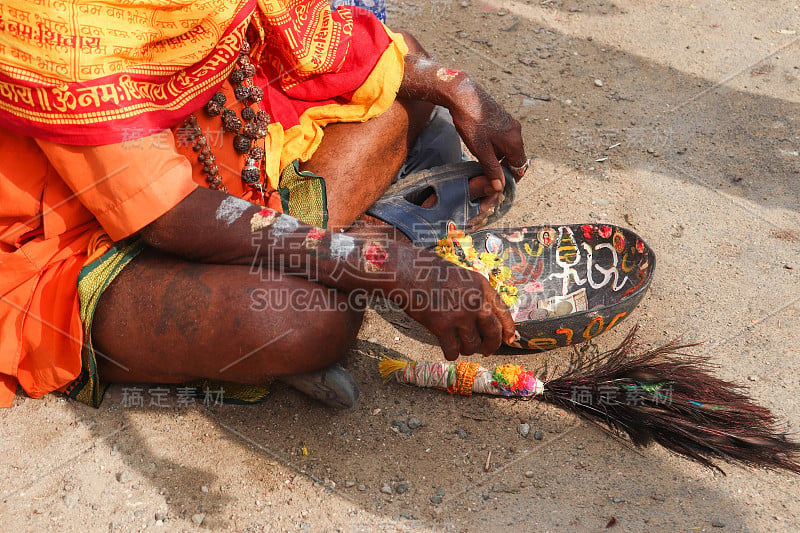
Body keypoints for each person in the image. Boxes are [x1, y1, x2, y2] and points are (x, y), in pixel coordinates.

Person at [0, 0, 528, 409]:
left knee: (403, 78)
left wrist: (455, 85)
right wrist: (390, 267)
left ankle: (323, 252)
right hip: (92, 240)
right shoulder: (56, 23)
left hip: (229, 168)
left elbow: (306, 37)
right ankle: (330, 260)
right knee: (312, 320)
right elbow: (169, 217)